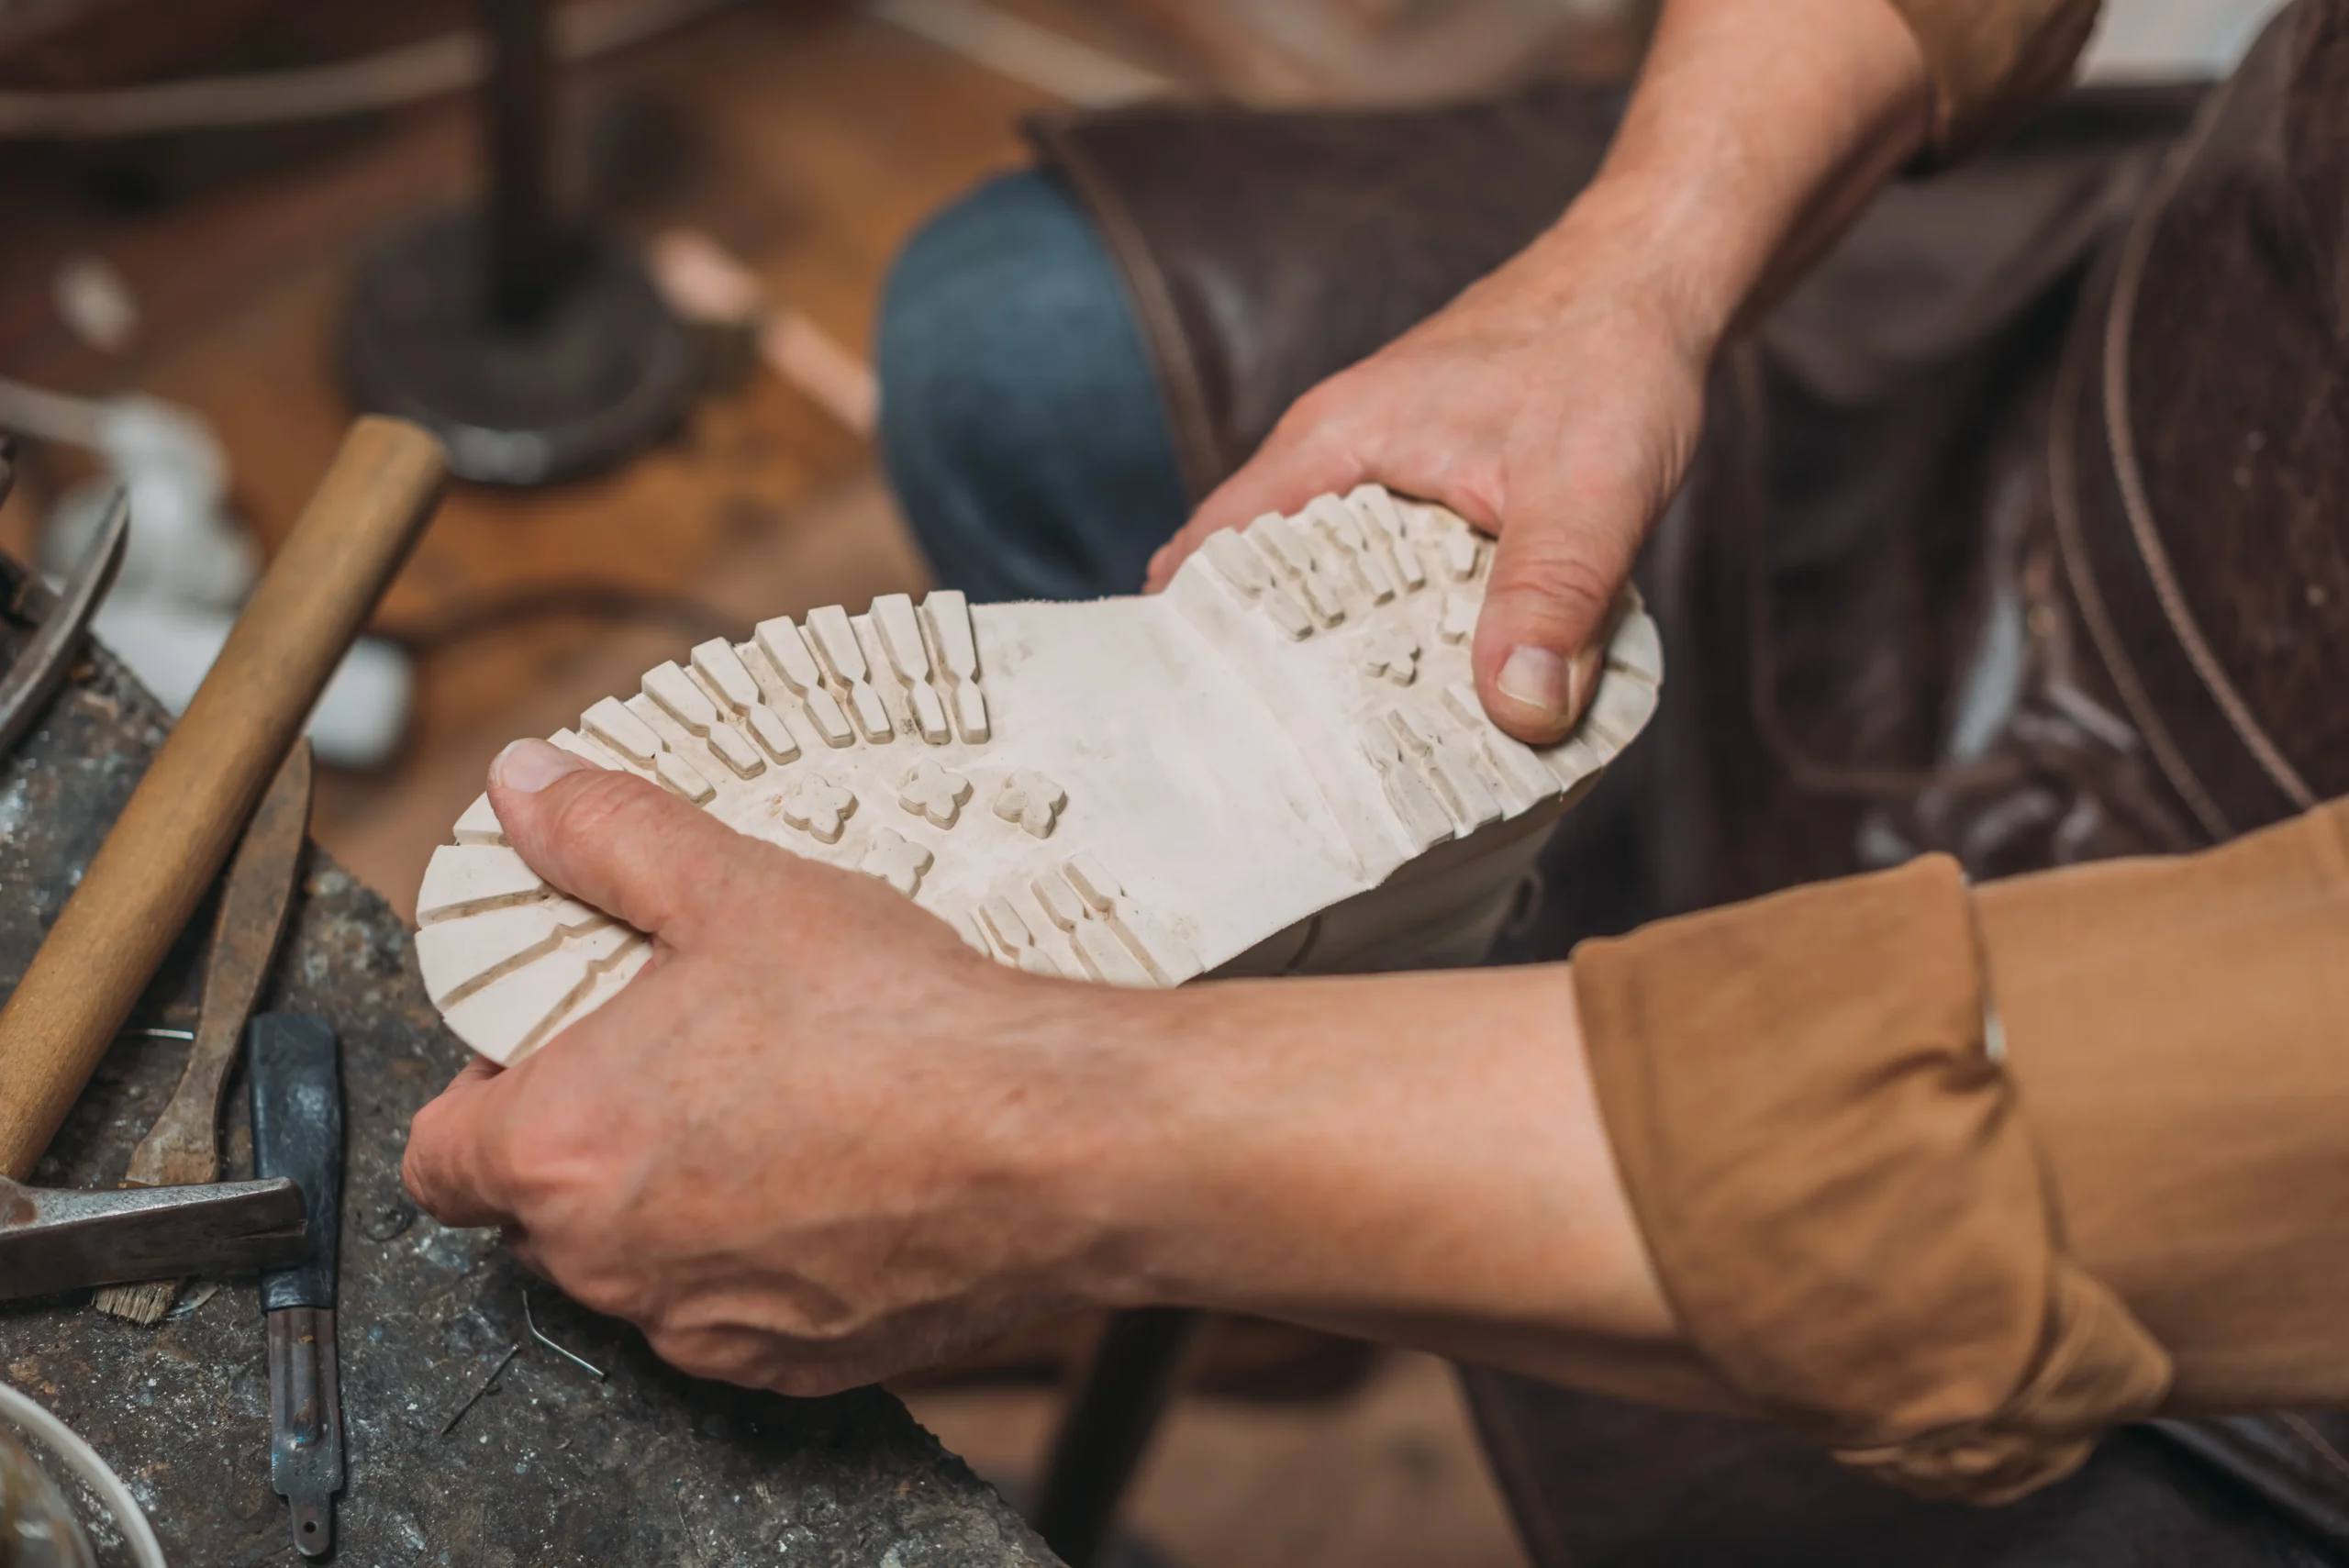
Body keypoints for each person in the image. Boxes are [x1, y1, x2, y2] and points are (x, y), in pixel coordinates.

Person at [404, 0, 2349, 1551]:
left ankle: (1277, 1126)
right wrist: (1637, 266)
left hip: (2247, 1122)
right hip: (2096, 386)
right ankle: (1335, 1039)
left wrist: (1069, 1138)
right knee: (1020, 339)